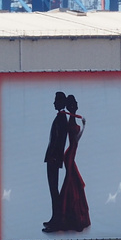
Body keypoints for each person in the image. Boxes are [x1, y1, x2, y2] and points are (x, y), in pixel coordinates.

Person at [55, 94, 89, 232]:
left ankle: (71, 216)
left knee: (73, 181)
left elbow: (76, 140)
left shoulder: (73, 118)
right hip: (69, 155)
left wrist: (84, 127)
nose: (74, 106)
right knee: (70, 181)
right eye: (72, 104)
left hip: (71, 153)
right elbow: (73, 138)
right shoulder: (71, 119)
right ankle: (69, 217)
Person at [41, 90, 68, 232]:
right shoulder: (60, 118)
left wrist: (54, 157)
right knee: (53, 190)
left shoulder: (61, 119)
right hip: (52, 158)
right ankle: (54, 218)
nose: (53, 103)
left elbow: (59, 141)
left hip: (54, 159)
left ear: (60, 102)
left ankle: (57, 221)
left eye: (56, 100)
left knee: (54, 190)